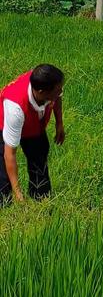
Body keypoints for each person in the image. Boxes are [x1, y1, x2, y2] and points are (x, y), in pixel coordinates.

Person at [0, 65, 65, 204]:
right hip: (4, 123)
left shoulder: (48, 82)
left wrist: (59, 123)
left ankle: (41, 200)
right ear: (41, 92)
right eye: (57, 90)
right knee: (2, 183)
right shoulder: (15, 108)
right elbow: (9, 154)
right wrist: (18, 195)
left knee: (39, 159)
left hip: (34, 124)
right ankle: (7, 205)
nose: (60, 92)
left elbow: (57, 96)